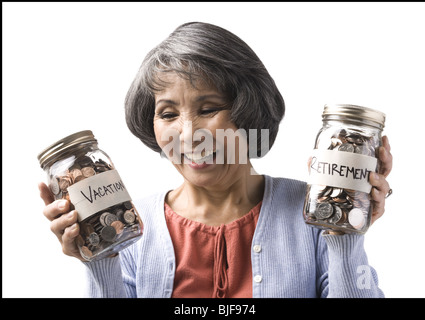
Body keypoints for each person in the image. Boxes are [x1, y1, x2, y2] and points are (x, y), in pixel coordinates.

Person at [39, 22, 393, 298]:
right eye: (167, 114)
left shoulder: (310, 214)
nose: (189, 133)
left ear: (248, 113)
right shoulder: (132, 227)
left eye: (208, 109)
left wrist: (346, 231)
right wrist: (99, 260)